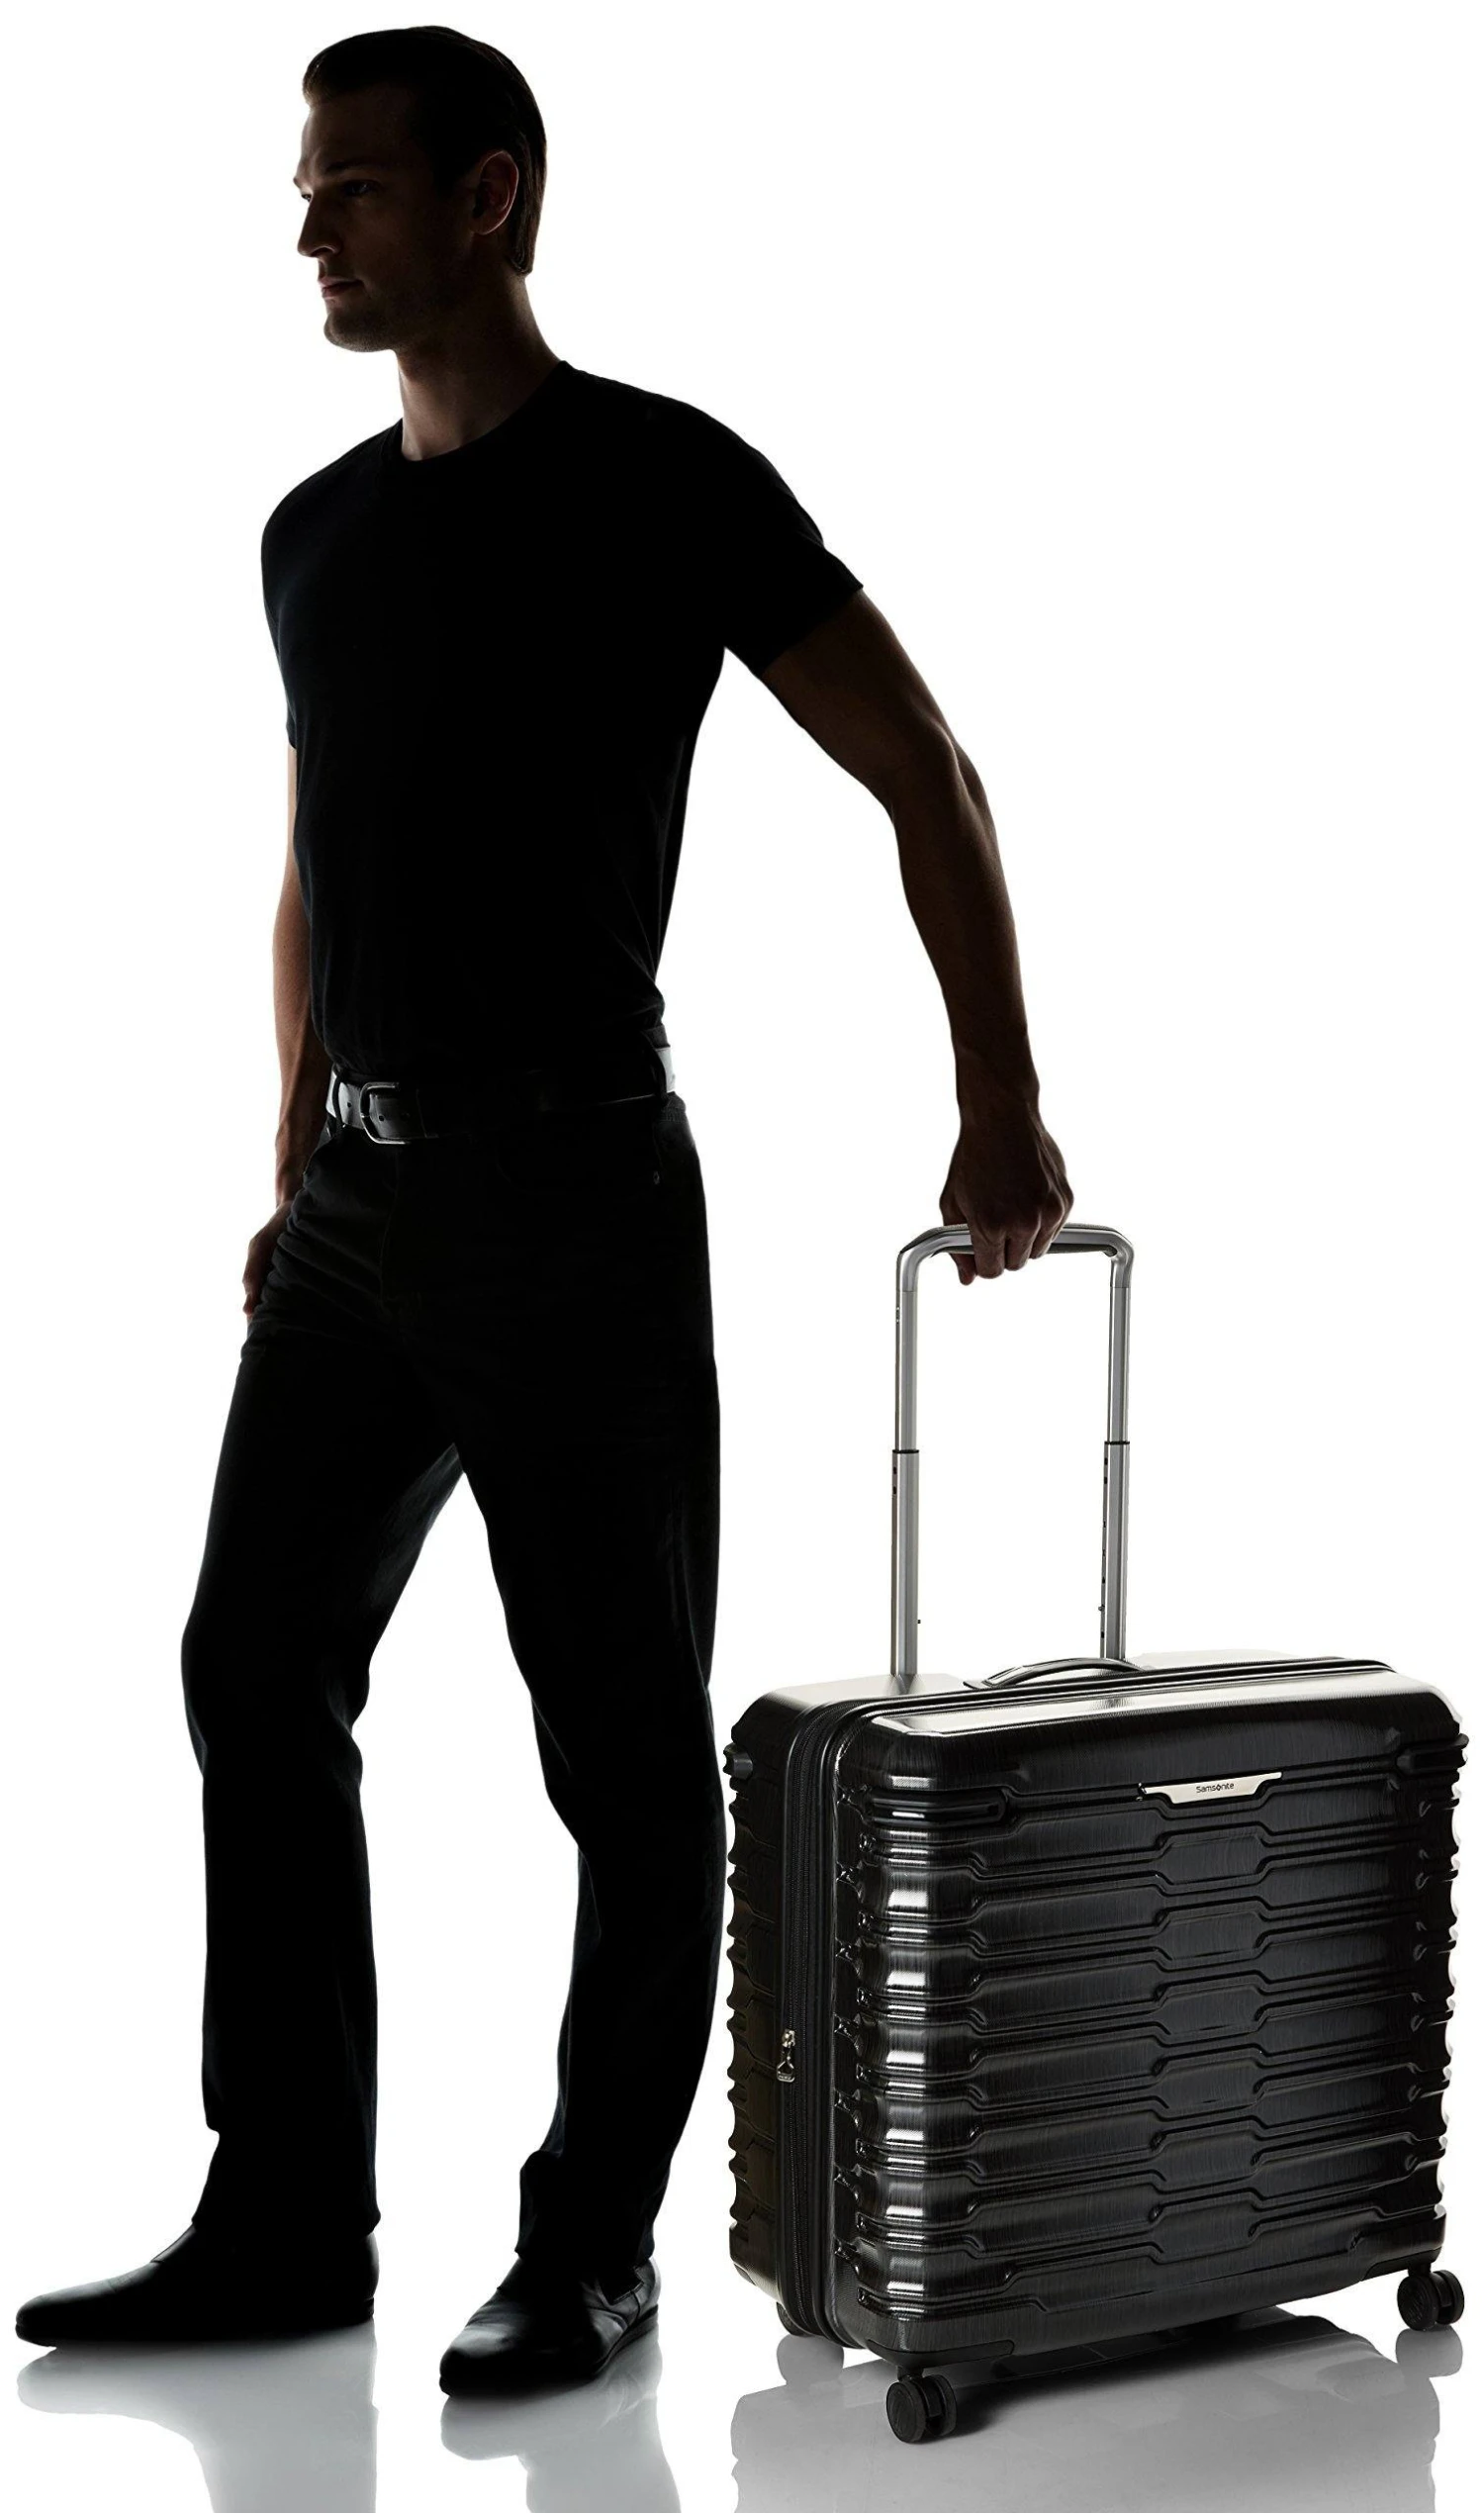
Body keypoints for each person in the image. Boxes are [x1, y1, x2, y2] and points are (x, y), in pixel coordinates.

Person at [15, 25, 1071, 2393]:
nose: (309, 228)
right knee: (246, 1665)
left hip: (579, 1191)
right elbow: (317, 865)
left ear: (489, 198)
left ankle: (591, 2246)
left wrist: (1001, 1102)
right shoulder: (311, 534)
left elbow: (925, 767)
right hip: (356, 1211)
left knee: (616, 1743)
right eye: (305, 189)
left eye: (353, 188)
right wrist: (289, 1163)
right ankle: (287, 2217)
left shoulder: (669, 482)